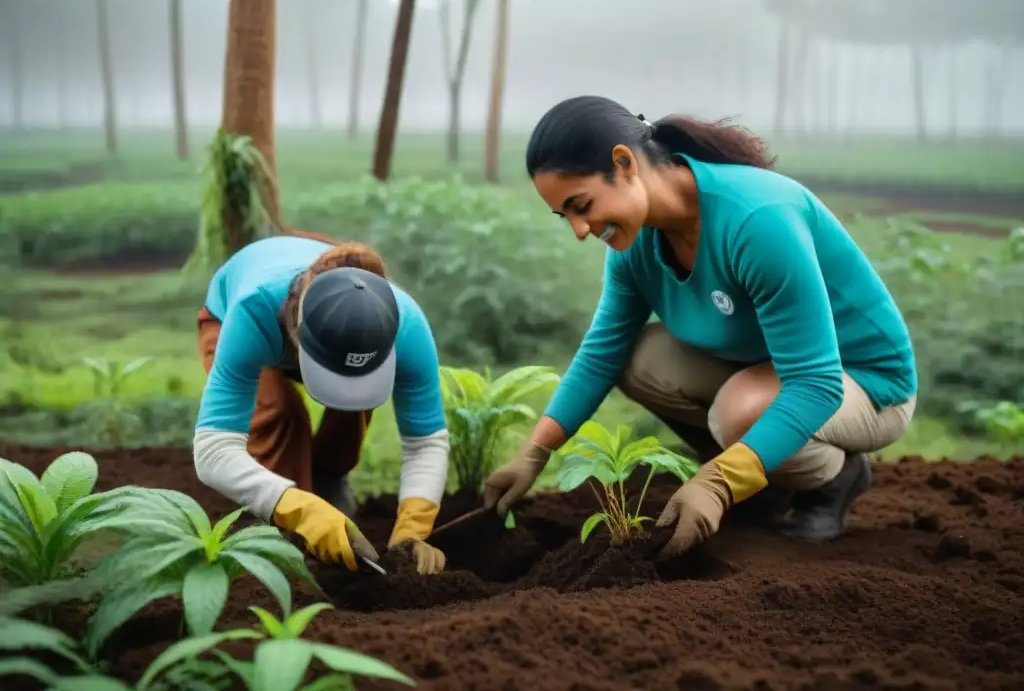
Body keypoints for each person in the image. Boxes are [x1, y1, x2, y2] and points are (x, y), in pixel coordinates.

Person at [483, 95, 918, 557]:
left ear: (624, 163)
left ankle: (833, 479)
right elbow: (602, 352)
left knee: (738, 414)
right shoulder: (637, 243)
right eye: (565, 216)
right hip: (760, 366)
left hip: (864, 384)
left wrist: (719, 483)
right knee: (636, 357)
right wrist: (535, 453)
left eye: (581, 205)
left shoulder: (756, 221)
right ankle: (766, 478)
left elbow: (816, 383)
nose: (580, 230)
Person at [193, 233, 450, 575]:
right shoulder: (251, 311)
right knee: (279, 412)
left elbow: (426, 442)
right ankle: (278, 532)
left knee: (352, 409)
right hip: (231, 312)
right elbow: (213, 449)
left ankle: (329, 481)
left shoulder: (405, 325)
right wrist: (299, 511)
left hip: (319, 311)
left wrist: (411, 530)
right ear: (298, 336)